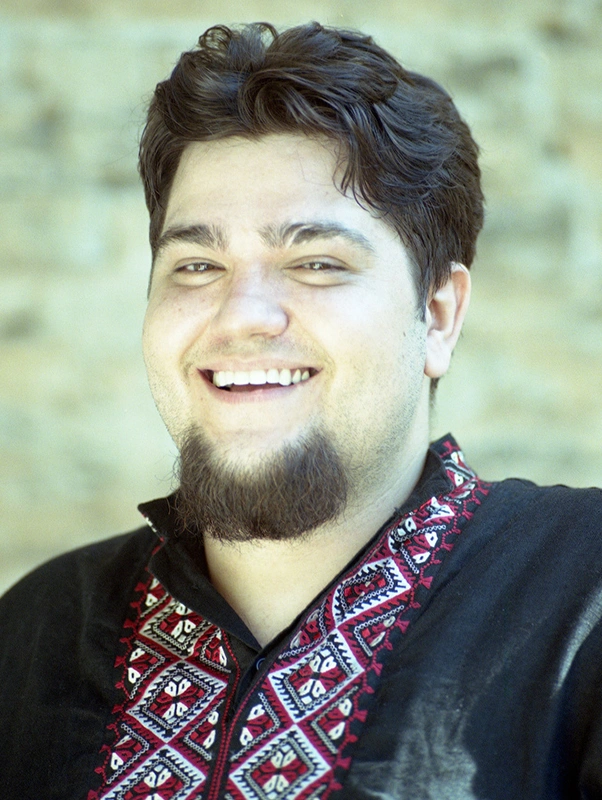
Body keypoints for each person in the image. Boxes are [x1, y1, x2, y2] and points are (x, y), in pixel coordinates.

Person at [1, 21, 601, 800]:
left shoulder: (581, 595)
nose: (242, 314)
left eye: (316, 262)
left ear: (438, 315)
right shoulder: (34, 635)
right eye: (196, 264)